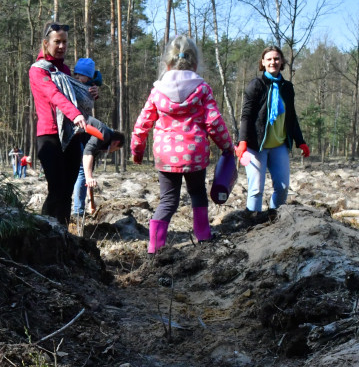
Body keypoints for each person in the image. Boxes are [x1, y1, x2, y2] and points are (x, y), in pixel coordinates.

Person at [131, 36, 235, 251]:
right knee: (197, 193)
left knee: (168, 200)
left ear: (167, 64)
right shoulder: (202, 88)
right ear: (195, 64)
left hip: (165, 155)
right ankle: (204, 237)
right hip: (193, 153)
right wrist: (226, 146)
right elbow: (214, 121)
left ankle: (155, 248)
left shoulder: (157, 90)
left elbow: (142, 123)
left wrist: (137, 150)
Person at [29, 22, 95, 225]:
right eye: (57, 41)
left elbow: (74, 94)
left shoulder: (66, 70)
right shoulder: (38, 70)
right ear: (45, 43)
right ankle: (45, 230)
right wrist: (75, 115)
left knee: (67, 190)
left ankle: (63, 233)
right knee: (56, 189)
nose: (61, 46)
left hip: (71, 135)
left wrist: (90, 94)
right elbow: (54, 95)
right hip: (49, 136)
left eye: (65, 42)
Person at [236, 46, 309, 220]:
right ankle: (251, 223)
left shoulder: (287, 87)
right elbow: (246, 115)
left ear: (282, 62)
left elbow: (291, 117)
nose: (273, 62)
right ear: (263, 62)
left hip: (279, 145)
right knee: (256, 189)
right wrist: (242, 141)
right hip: (256, 146)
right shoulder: (256, 85)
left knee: (283, 187)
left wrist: (300, 141)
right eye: (268, 59)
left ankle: (275, 220)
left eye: (276, 59)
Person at [71, 57, 100, 216]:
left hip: (83, 132)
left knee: (83, 172)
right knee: (80, 171)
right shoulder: (81, 86)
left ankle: (78, 210)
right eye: (75, 74)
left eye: (80, 75)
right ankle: (77, 209)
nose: (76, 77)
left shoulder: (89, 89)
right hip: (75, 132)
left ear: (88, 77)